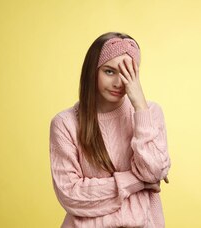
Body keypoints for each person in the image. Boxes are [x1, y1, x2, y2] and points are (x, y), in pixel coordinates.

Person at [49, 32, 171, 227]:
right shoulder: (66, 123)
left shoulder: (150, 113)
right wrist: (138, 182)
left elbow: (153, 171)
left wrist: (140, 105)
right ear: (92, 71)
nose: (119, 82)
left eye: (128, 72)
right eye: (109, 71)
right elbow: (71, 194)